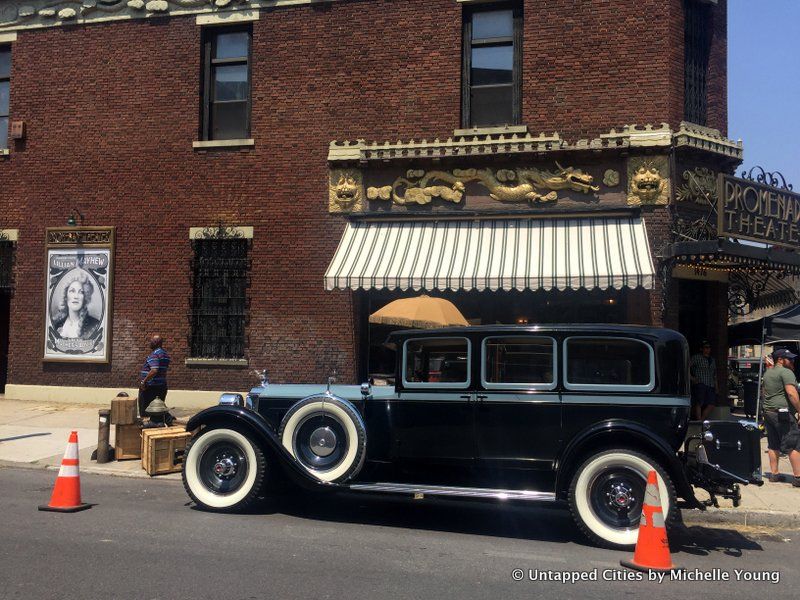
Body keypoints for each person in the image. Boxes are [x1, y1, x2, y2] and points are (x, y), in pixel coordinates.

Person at [761, 348, 800, 487]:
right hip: (782, 413)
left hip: (769, 411)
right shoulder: (786, 372)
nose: (792, 361)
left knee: (773, 443)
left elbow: (764, 392)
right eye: (790, 359)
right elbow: (791, 393)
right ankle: (798, 477)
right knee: (794, 444)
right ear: (780, 360)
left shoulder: (768, 373)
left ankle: (774, 474)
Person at [51, 270, 101, 339]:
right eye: (72, 291)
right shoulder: (56, 325)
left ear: (85, 298)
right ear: (66, 296)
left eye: (81, 292)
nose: (76, 296)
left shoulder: (94, 325)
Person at [138, 335, 171, 418]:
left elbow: (154, 370)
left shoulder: (155, 355)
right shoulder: (165, 355)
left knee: (145, 411)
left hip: (151, 387)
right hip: (161, 386)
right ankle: (157, 427)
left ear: (155, 343)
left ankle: (147, 429)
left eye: (151, 341)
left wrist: (144, 382)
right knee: (158, 412)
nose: (150, 343)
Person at [689, 339, 717, 420]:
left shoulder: (712, 360)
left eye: (709, 348)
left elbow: (715, 374)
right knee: (699, 402)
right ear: (702, 349)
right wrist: (692, 378)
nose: (708, 349)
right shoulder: (696, 358)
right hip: (700, 383)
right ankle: (698, 420)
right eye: (706, 347)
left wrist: (716, 386)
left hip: (710, 384)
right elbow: (686, 367)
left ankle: (701, 420)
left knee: (711, 404)